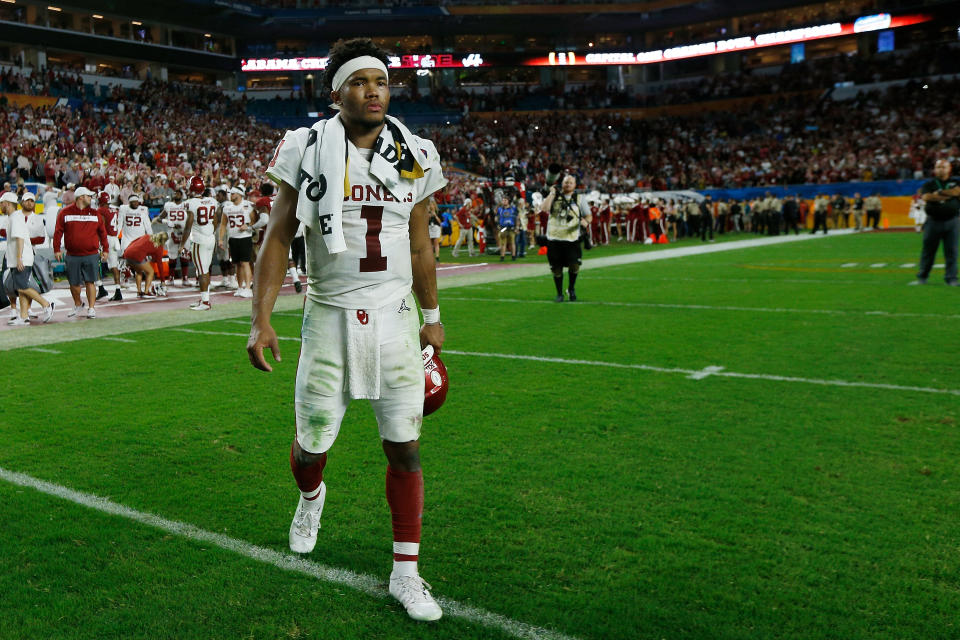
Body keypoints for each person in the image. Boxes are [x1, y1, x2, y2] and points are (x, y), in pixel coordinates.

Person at [246, 38, 446, 622]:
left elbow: (419, 243)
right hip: (329, 313)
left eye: (381, 81)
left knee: (405, 446)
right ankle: (311, 497)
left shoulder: (414, 151)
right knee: (311, 447)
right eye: (360, 82)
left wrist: (432, 318)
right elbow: (278, 236)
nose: (374, 91)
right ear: (336, 92)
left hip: (394, 315)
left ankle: (406, 573)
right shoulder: (305, 145)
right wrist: (261, 319)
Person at [53, 186, 108, 318]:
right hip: (72, 254)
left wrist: (105, 249)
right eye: (89, 196)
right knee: (73, 283)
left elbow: (103, 233)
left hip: (91, 254)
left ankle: (91, 308)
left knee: (91, 282)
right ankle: (78, 304)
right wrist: (56, 249)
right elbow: (58, 231)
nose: (91, 198)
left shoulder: (95, 214)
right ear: (81, 197)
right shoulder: (64, 213)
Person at [1, 192, 54, 325]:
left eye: (1, 203)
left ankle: (46, 304)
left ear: (7, 203)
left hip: (22, 258)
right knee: (21, 287)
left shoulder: (15, 218)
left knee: (23, 287)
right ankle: (24, 316)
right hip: (18, 258)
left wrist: (19, 258)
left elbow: (19, 239)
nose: (0, 206)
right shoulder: (15, 217)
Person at [541, 174, 590, 302]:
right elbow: (544, 209)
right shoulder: (554, 196)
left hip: (572, 238)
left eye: (570, 182)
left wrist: (586, 221)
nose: (567, 184)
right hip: (554, 238)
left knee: (574, 265)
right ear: (561, 183)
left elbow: (588, 215)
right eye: (565, 182)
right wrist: (551, 194)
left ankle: (571, 288)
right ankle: (559, 293)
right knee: (556, 268)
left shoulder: (579, 198)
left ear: (575, 185)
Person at [911, 159, 959, 286]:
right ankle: (922, 276)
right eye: (938, 167)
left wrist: (939, 193)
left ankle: (951, 278)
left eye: (943, 167)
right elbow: (926, 197)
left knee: (952, 252)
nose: (940, 169)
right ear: (934, 169)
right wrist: (950, 195)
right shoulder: (929, 183)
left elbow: (958, 192)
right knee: (928, 251)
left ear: (949, 169)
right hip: (933, 222)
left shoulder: (956, 182)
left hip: (952, 221)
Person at [185, 178, 220, 310]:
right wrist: (210, 233)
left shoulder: (191, 203)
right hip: (210, 238)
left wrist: (183, 244)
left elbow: (188, 227)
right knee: (204, 270)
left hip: (199, 240)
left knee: (202, 271)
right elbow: (215, 220)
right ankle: (204, 298)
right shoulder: (212, 201)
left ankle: (205, 302)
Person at [220, 186, 255, 298]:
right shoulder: (227, 207)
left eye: (233, 193)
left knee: (245, 263)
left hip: (245, 237)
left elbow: (255, 221)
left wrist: (248, 226)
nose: (231, 195)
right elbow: (223, 224)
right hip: (233, 238)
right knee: (237, 264)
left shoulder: (247, 205)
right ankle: (240, 287)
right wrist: (220, 239)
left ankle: (248, 288)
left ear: (239, 194)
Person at [158, 189, 193, 287]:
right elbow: (159, 218)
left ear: (182, 195)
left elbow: (192, 217)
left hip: (185, 233)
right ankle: (171, 278)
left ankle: (185, 278)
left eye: (178, 193)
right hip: (172, 233)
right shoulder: (169, 205)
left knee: (184, 256)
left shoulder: (186, 204)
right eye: (175, 193)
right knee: (172, 257)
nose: (176, 195)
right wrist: (169, 223)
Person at [96, 191, 123, 301]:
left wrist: (99, 242)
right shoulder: (114, 210)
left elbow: (100, 227)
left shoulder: (100, 210)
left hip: (105, 238)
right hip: (114, 238)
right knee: (114, 266)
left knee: (93, 263)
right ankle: (118, 290)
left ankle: (101, 287)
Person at [123, 232, 169, 297]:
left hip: (128, 252)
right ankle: (146, 292)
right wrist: (163, 281)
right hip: (138, 255)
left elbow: (133, 242)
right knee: (150, 272)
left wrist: (125, 253)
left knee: (138, 272)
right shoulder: (159, 247)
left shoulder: (147, 236)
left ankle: (139, 292)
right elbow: (160, 265)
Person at [496, 194, 517, 261]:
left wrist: (517, 227)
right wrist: (498, 224)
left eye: (505, 200)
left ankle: (513, 256)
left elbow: (517, 218)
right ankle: (502, 257)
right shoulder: (499, 209)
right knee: (502, 242)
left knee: (512, 242)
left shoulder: (513, 208)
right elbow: (496, 218)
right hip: (503, 228)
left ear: (508, 201)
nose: (504, 201)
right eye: (503, 200)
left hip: (511, 227)